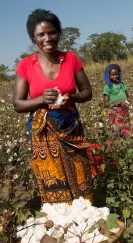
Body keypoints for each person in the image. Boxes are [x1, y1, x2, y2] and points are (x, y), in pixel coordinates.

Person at [13, 9, 94, 204]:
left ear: (58, 33)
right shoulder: (25, 65)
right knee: (52, 182)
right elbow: (18, 104)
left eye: (52, 32)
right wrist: (42, 99)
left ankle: (84, 224)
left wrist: (70, 97)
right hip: (43, 134)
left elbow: (87, 93)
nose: (47, 38)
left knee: (80, 177)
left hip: (71, 130)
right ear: (34, 38)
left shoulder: (71, 59)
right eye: (40, 34)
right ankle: (60, 227)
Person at [103, 64, 131, 138]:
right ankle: (118, 146)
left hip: (125, 110)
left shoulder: (122, 85)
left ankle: (127, 145)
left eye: (116, 74)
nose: (115, 76)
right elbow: (106, 104)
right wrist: (118, 102)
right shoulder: (107, 87)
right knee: (117, 131)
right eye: (112, 75)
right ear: (108, 75)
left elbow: (127, 97)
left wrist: (127, 103)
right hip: (115, 112)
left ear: (119, 74)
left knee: (126, 129)